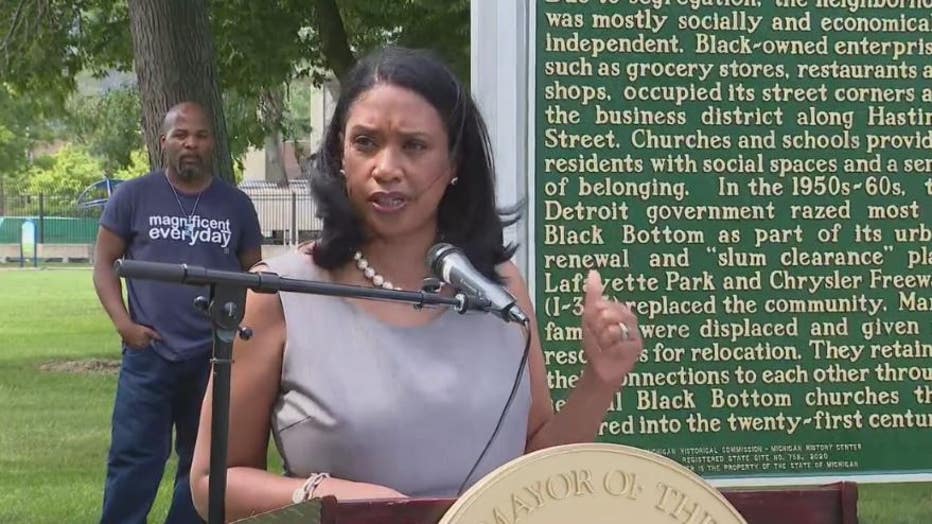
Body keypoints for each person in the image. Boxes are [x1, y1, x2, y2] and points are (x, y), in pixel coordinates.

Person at [190, 47, 643, 521]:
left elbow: (536, 475)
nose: (386, 167)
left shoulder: (501, 290)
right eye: (365, 142)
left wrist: (599, 381)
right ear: (339, 155)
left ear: (454, 165)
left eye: (414, 146)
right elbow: (210, 484)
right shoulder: (278, 294)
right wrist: (329, 496)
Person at [93, 101, 263, 524]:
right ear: (163, 141)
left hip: (213, 358)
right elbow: (103, 266)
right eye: (181, 134)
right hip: (148, 355)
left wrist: (239, 335)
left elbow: (254, 276)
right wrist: (124, 325)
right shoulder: (134, 196)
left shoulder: (236, 205)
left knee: (201, 466)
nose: (191, 143)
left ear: (212, 143)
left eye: (201, 135)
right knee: (134, 460)